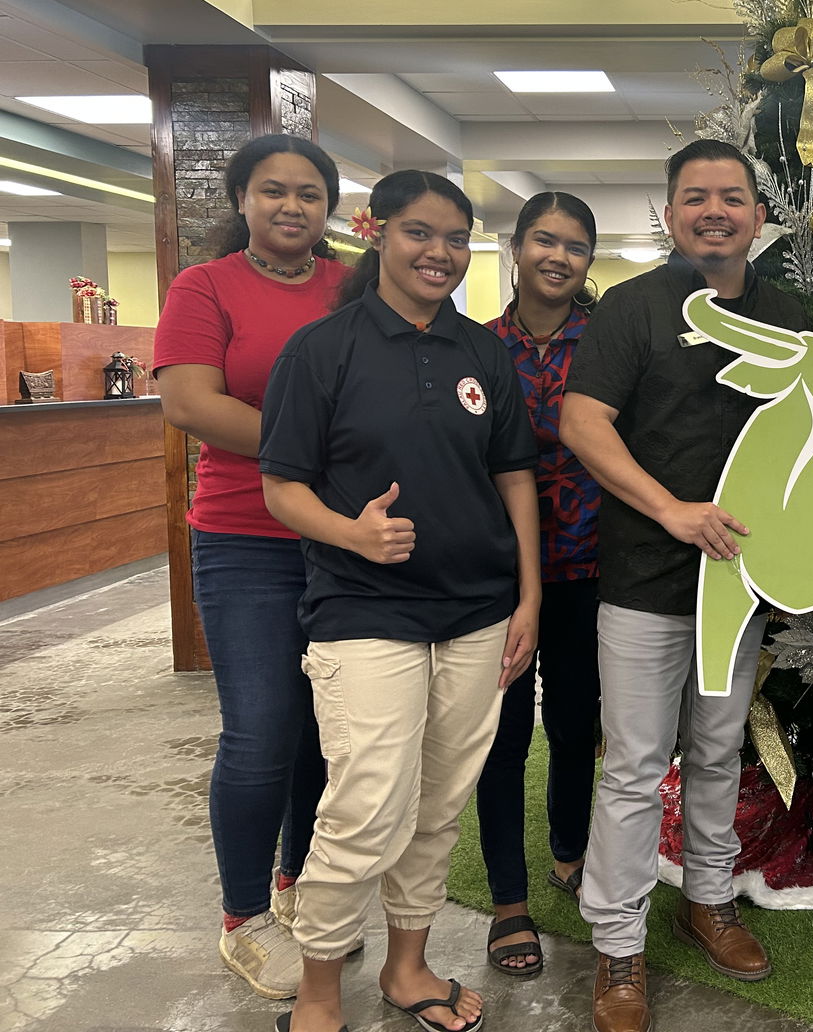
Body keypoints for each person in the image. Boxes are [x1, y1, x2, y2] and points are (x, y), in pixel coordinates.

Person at [258, 170, 540, 1032]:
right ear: (376, 232)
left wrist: (529, 596)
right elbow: (282, 487)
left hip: (478, 612)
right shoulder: (322, 349)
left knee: (437, 803)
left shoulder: (482, 352)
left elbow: (514, 475)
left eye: (456, 239)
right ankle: (317, 993)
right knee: (366, 804)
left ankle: (407, 968)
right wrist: (353, 534)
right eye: (420, 233)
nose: (440, 253)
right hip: (363, 607)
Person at [560, 140, 805, 1032]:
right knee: (632, 766)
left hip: (741, 581)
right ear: (669, 214)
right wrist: (669, 509)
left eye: (731, 197)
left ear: (759, 216)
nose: (714, 211)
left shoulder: (788, 313)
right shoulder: (634, 307)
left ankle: (708, 900)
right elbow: (583, 422)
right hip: (646, 578)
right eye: (695, 197)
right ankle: (618, 943)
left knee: (717, 751)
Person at [153, 134, 350, 999]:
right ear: (241, 198)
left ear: (329, 208)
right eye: (274, 190)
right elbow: (191, 403)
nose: (291, 206)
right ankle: (244, 917)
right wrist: (314, 449)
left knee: (325, 730)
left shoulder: (352, 285)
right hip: (246, 540)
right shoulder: (205, 286)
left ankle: (296, 882)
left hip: (341, 539)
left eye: (309, 193)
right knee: (262, 730)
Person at [475, 192, 603, 977]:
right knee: (502, 734)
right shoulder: (477, 346)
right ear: (516, 248)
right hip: (498, 572)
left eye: (575, 246)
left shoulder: (609, 341)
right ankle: (507, 902)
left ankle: (570, 851)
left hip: (592, 563)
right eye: (544, 241)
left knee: (577, 723)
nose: (559, 257)